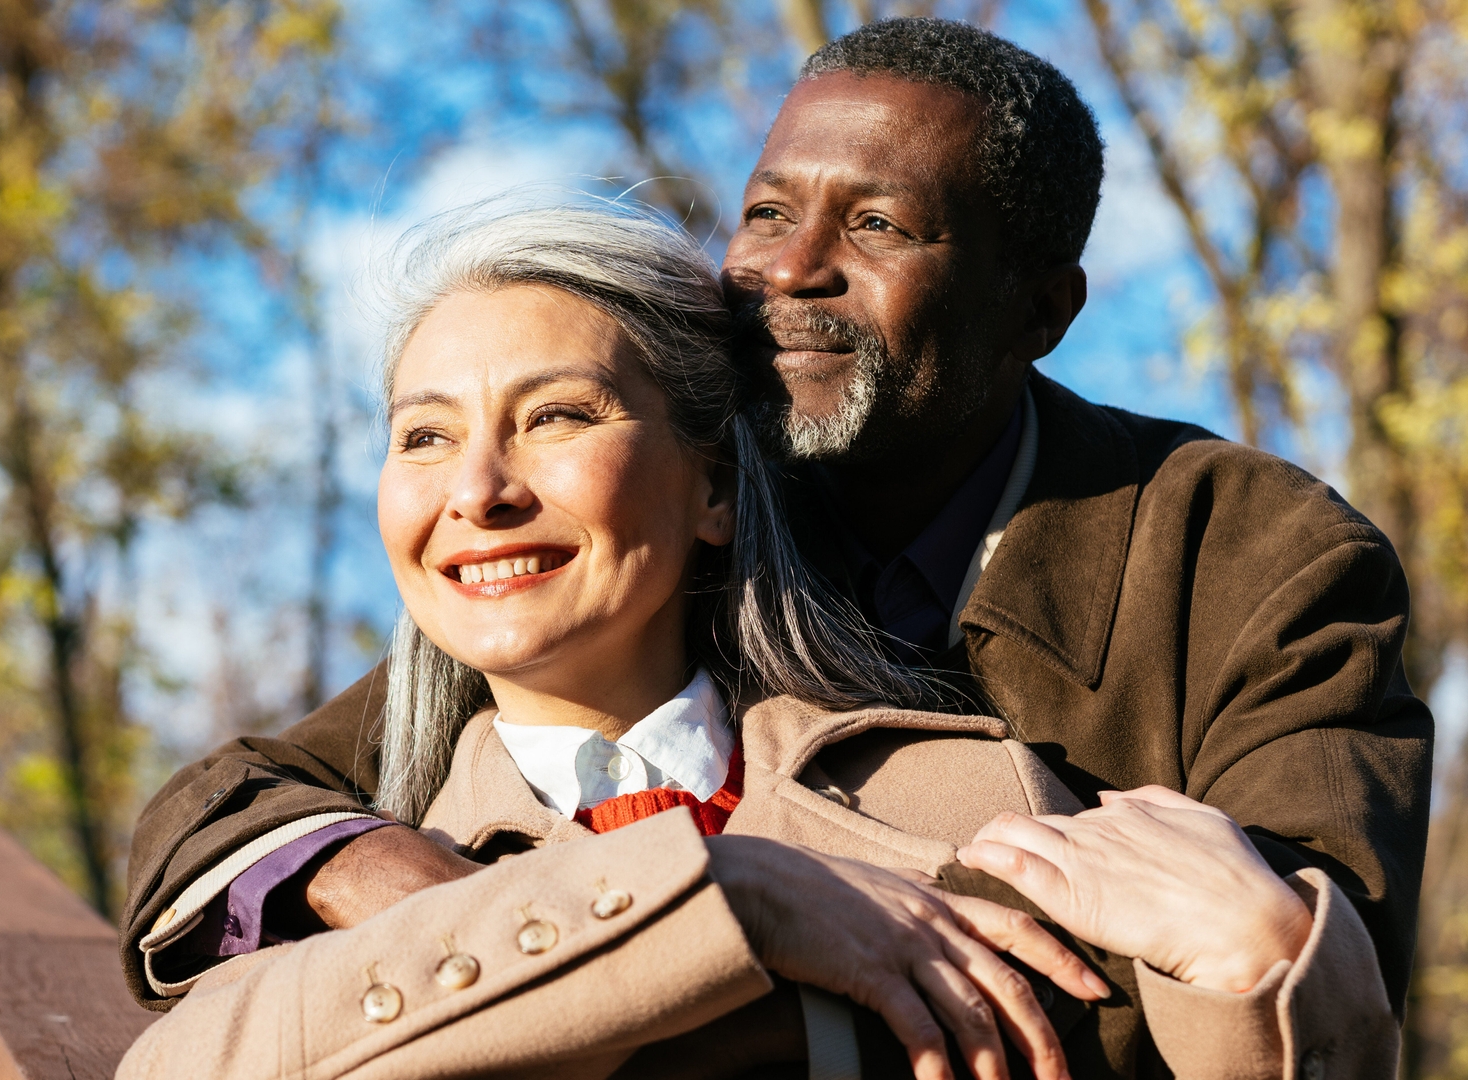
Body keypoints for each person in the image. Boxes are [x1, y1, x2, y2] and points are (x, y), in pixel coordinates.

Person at [120, 19, 1432, 1075]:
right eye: (765, 214)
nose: (790, 271)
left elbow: (1294, 982)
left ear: (1038, 308)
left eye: (877, 226)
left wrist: (1257, 949)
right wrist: (445, 896)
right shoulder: (638, 525)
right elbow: (248, 802)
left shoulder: (1251, 556)